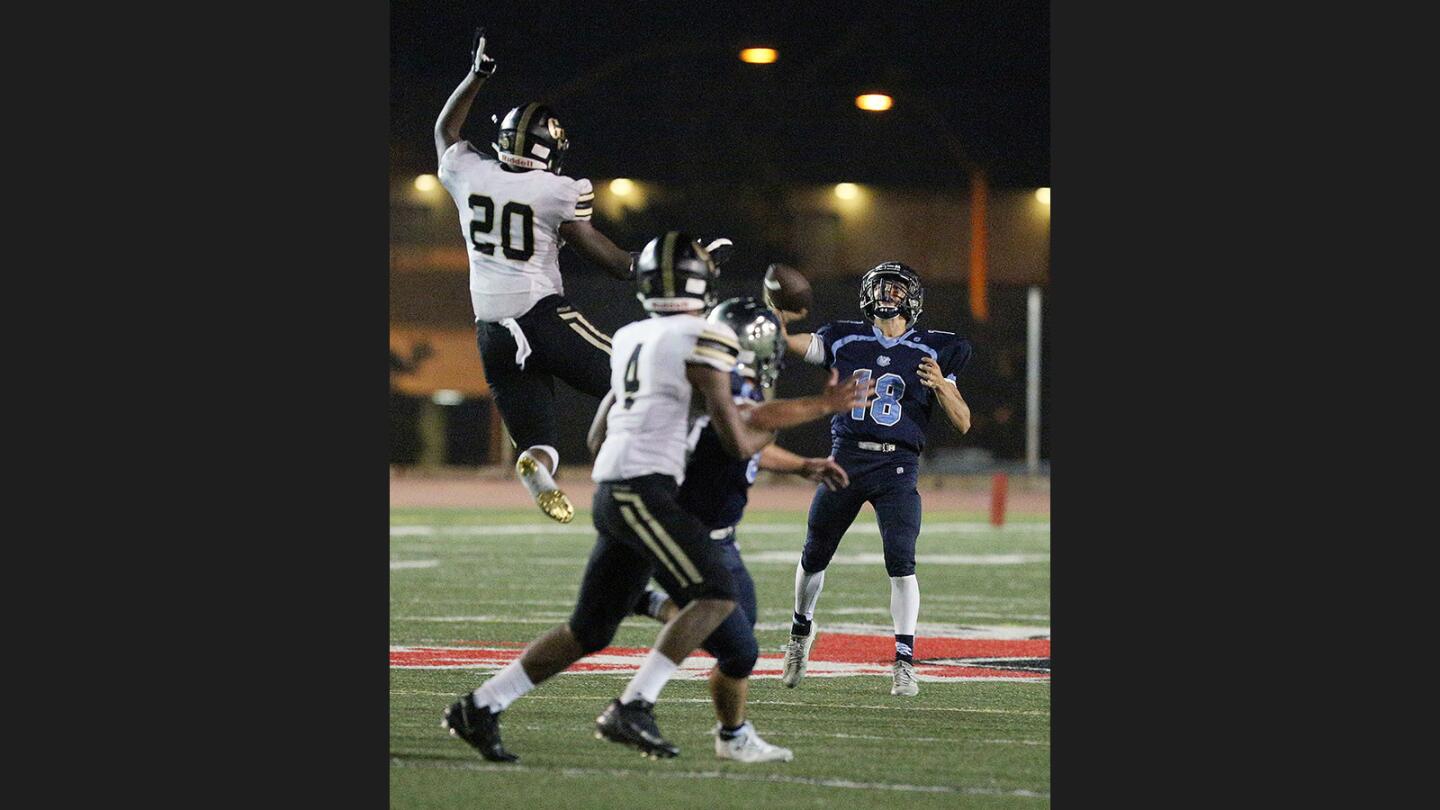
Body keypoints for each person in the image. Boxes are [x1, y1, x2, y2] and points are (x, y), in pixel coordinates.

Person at [442, 233, 870, 762]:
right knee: (714, 595)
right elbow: (739, 436)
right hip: (645, 489)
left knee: (589, 629)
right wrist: (822, 405)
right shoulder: (705, 336)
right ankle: (633, 706)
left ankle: (479, 706)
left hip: (616, 486)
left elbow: (598, 434)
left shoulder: (629, 336)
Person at [435, 27, 678, 523]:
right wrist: (682, 264)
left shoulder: (470, 174)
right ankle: (649, 474)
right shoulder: (555, 191)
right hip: (540, 315)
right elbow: (615, 263)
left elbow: (445, 133)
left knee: (539, 441)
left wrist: (476, 75)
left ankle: (539, 465)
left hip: (490, 330)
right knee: (640, 375)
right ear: (550, 148)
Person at [595, 296, 850, 763]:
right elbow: (749, 424)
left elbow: (748, 444)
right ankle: (641, 698)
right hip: (693, 534)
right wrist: (822, 405)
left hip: (721, 536)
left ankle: (731, 734)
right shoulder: (719, 379)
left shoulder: (724, 377)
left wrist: (801, 465)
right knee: (735, 641)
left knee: (736, 648)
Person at [777, 261, 974, 696]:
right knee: (815, 552)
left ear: (912, 299)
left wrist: (941, 384)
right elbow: (795, 344)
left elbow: (962, 422)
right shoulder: (844, 337)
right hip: (846, 459)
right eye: (881, 288)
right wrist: (772, 320)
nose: (888, 295)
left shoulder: (938, 348)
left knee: (901, 559)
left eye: (896, 289)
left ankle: (904, 660)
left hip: (897, 468)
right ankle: (800, 634)